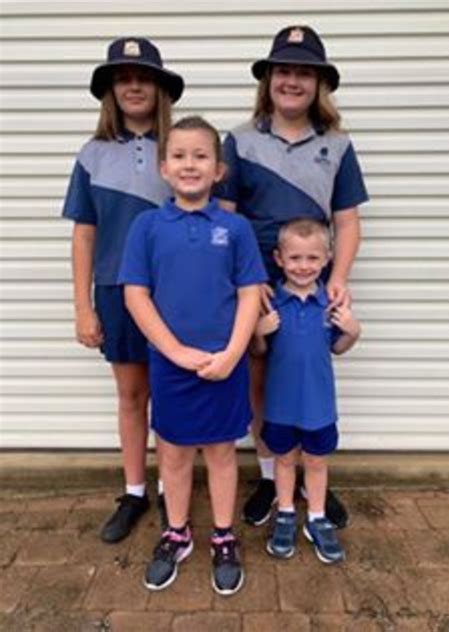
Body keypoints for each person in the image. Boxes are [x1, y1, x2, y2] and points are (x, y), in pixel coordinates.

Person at [215, 25, 369, 527]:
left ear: (319, 83)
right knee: (263, 379)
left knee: (310, 376)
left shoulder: (338, 146)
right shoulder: (237, 141)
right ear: (269, 78)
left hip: (313, 278)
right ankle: (269, 476)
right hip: (256, 283)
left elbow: (346, 221)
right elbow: (226, 214)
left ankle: (312, 477)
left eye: (304, 72)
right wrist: (246, 277)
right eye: (284, 70)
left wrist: (338, 276)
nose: (292, 81)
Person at [118, 116, 267, 595]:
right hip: (170, 365)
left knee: (223, 452)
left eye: (201, 156)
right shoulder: (147, 226)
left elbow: (249, 294)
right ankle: (176, 532)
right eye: (179, 156)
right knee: (175, 453)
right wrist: (175, 350)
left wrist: (232, 352)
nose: (190, 165)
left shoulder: (236, 228)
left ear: (218, 169)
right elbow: (136, 295)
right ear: (163, 168)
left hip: (224, 363)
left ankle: (223, 536)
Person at [62, 37, 184, 542]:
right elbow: (84, 234)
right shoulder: (92, 155)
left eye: (144, 77)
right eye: (122, 77)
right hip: (115, 292)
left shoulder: (181, 149)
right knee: (132, 395)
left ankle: (172, 490)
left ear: (159, 88)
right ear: (111, 90)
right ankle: (135, 491)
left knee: (175, 397)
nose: (134, 85)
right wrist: (82, 307)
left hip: (176, 296)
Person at [253, 218, 360, 562]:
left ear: (328, 257)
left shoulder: (331, 305)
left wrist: (353, 332)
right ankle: (285, 512)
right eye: (295, 258)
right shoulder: (271, 303)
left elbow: (338, 349)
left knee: (316, 462)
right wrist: (258, 331)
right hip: (281, 405)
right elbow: (258, 353)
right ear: (279, 258)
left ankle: (316, 517)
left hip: (319, 406)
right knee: (284, 460)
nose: (303, 266)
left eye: (312, 258)